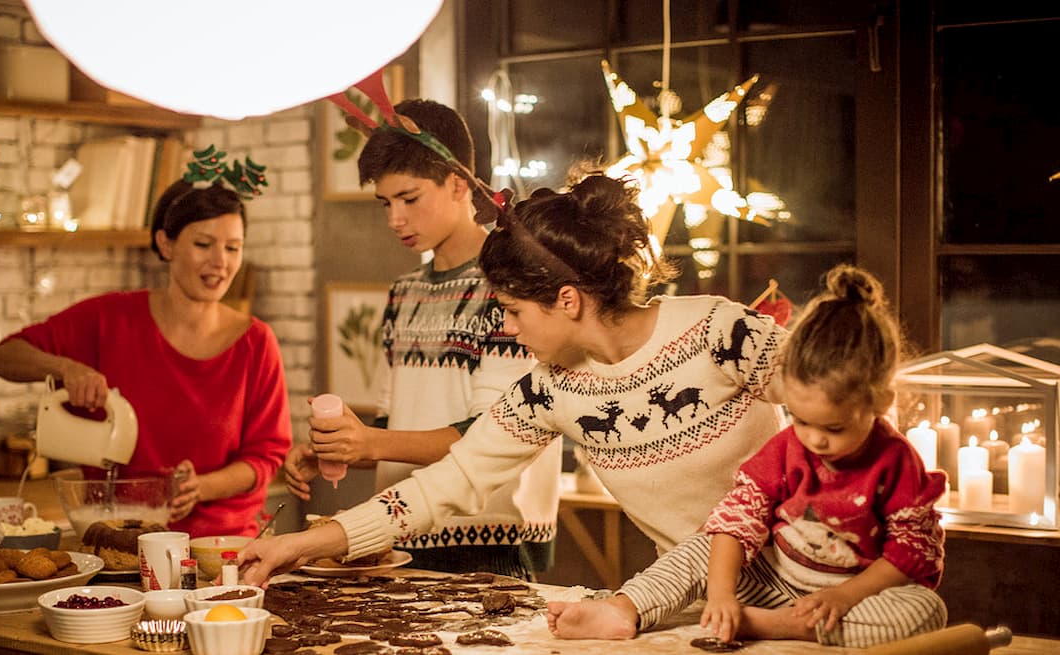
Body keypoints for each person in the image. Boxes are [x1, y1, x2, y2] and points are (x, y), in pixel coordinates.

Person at [238, 173, 789, 586]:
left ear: (567, 301)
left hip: (831, 588)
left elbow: (851, 402)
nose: (505, 325)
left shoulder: (719, 330)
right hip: (694, 602)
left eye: (513, 309)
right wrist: (302, 545)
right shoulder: (549, 389)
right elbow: (444, 486)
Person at [545, 264, 948, 648]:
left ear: (880, 401)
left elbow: (912, 552)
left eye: (834, 428)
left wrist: (844, 597)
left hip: (856, 597)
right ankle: (624, 608)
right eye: (802, 420)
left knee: (924, 611)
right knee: (703, 544)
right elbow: (737, 520)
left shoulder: (897, 462)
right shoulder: (788, 448)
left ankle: (774, 626)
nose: (814, 440)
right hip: (771, 581)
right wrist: (721, 595)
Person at [283, 98, 561, 579]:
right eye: (386, 203)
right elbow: (394, 426)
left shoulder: (511, 288)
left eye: (409, 199)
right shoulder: (405, 290)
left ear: (458, 184)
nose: (395, 219)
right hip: (400, 533)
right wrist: (344, 447)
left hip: (491, 541)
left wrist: (368, 443)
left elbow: (492, 434)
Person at [0, 176, 292, 538]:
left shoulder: (256, 342)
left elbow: (266, 457)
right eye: (204, 244)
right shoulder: (109, 319)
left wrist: (201, 487)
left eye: (233, 248)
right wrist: (67, 368)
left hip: (222, 548)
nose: (220, 262)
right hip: (117, 541)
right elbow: (0, 357)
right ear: (166, 244)